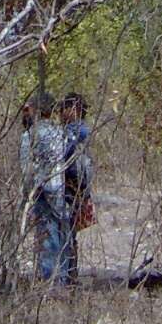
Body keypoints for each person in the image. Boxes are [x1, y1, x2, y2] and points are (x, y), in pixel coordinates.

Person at [21, 94, 72, 283]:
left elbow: (27, 168)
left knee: (46, 234)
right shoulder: (61, 133)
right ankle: (63, 278)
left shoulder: (31, 135)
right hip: (59, 187)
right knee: (62, 232)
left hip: (41, 190)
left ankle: (50, 281)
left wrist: (27, 193)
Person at [60, 93, 94, 279]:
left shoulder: (77, 131)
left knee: (67, 231)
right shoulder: (79, 130)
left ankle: (69, 274)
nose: (62, 112)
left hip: (73, 187)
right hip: (77, 187)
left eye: (65, 108)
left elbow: (63, 153)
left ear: (75, 109)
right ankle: (71, 273)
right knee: (69, 232)